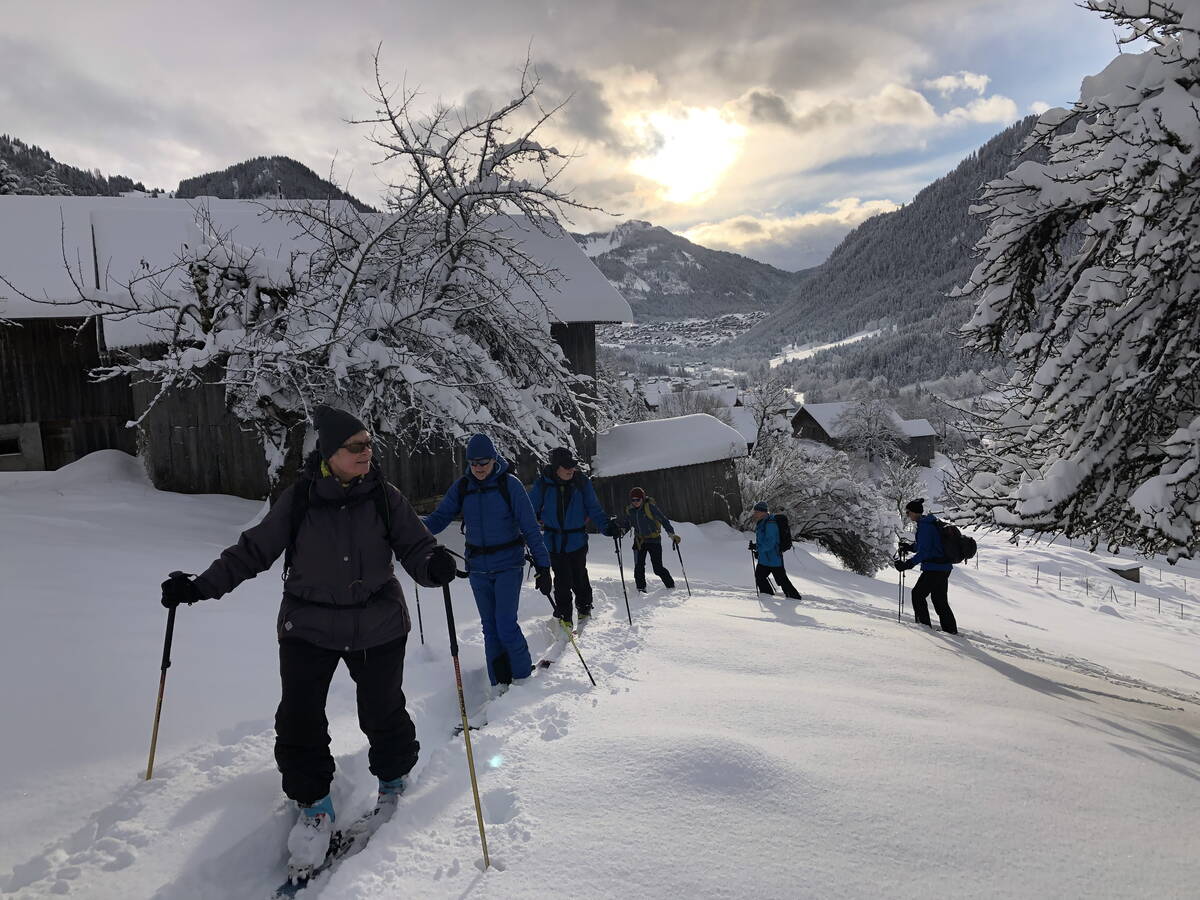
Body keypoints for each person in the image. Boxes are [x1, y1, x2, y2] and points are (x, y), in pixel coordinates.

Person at [159, 405, 456, 879]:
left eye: (368, 444)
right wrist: (199, 586)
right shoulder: (299, 500)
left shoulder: (385, 496)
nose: (367, 453)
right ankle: (314, 807)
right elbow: (253, 550)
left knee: (382, 711)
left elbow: (416, 546)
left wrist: (432, 565)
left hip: (377, 623)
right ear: (331, 454)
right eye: (356, 447)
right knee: (298, 718)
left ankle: (393, 785)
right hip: (309, 625)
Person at [423, 433, 553, 692]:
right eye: (474, 464)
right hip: (478, 569)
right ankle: (499, 684)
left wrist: (543, 567)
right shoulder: (463, 486)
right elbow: (438, 519)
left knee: (505, 624)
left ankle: (522, 678)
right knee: (490, 629)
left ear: (494, 459)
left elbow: (529, 527)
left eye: (484, 462)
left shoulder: (510, 485)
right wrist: (406, 527)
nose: (479, 468)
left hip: (508, 565)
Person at [528, 446, 620, 629]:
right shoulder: (543, 484)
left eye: (572, 466)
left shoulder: (581, 482)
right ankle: (564, 618)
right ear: (556, 468)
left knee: (579, 577)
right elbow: (529, 511)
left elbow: (594, 508)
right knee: (561, 581)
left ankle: (585, 609)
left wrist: (607, 527)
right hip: (554, 542)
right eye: (566, 466)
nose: (570, 469)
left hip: (577, 539)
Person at [894, 498, 958, 634]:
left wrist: (907, 564)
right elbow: (925, 545)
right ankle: (951, 631)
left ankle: (924, 627)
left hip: (935, 568)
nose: (907, 515)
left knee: (917, 594)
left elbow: (925, 551)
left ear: (915, 512)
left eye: (908, 512)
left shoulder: (925, 527)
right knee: (939, 600)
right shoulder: (928, 523)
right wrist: (910, 547)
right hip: (942, 567)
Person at [619, 486, 678, 592]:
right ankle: (641, 590)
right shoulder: (630, 510)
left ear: (642, 498)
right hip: (639, 541)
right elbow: (627, 524)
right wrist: (621, 531)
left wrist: (672, 534)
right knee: (638, 567)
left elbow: (663, 520)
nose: (635, 502)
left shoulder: (650, 507)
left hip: (654, 540)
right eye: (633, 500)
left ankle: (671, 586)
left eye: (638, 499)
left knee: (658, 568)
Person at [748, 501, 801, 600]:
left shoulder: (770, 523)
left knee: (782, 580)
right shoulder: (763, 522)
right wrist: (756, 547)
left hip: (773, 558)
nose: (754, 513)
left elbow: (771, 543)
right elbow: (764, 540)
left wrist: (758, 548)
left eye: (756, 511)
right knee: (760, 576)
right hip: (765, 558)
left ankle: (794, 598)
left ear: (762, 512)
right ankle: (767, 596)